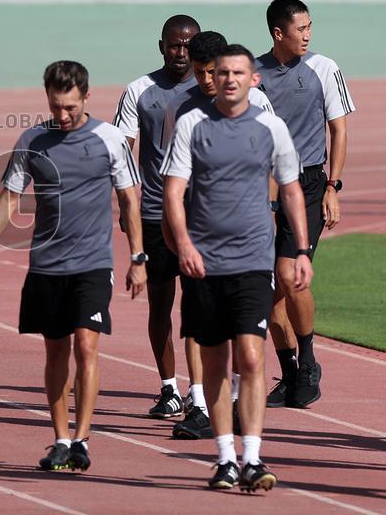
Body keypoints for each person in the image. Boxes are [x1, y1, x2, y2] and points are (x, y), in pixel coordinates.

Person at [0, 61, 145, 472]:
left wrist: (138, 258)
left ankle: (82, 440)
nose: (63, 115)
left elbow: (129, 200)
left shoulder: (109, 139)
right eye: (56, 106)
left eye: (70, 106)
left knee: (86, 346)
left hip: (92, 263)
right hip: (47, 265)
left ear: (86, 97)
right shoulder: (33, 140)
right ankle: (59, 438)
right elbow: (10, 197)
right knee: (55, 353)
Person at [162, 44, 312, 492]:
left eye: (237, 72)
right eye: (222, 72)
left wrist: (300, 249)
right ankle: (224, 456)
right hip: (204, 264)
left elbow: (290, 190)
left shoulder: (271, 127)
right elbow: (173, 193)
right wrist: (184, 244)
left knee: (250, 357)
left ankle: (252, 457)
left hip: (252, 261)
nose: (228, 79)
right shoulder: (192, 124)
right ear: (212, 77)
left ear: (253, 79)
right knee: (215, 363)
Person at [161, 30, 273, 441]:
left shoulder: (257, 105)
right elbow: (173, 177)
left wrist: (267, 215)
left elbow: (276, 169)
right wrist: (174, 229)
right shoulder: (181, 110)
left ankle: (243, 404)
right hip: (198, 229)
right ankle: (200, 404)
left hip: (249, 234)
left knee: (246, 340)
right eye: (201, 72)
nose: (209, 81)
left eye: (214, 71)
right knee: (199, 326)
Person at [256, 0, 356, 408]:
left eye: (310, 26)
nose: (308, 35)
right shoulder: (254, 74)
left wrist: (333, 185)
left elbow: (339, 129)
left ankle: (310, 361)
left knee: (291, 273)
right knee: (268, 292)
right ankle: (291, 373)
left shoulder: (323, 68)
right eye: (301, 28)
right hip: (263, 188)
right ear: (279, 33)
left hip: (310, 183)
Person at [114, 14, 201, 419]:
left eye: (188, 45)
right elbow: (121, 154)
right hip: (153, 214)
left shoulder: (212, 88)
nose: (180, 52)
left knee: (199, 308)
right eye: (173, 44)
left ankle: (198, 395)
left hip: (202, 217)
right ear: (161, 45)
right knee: (160, 306)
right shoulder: (139, 91)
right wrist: (126, 206)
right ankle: (169, 387)